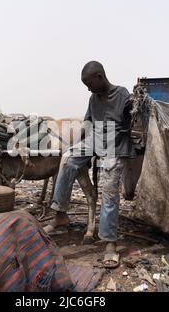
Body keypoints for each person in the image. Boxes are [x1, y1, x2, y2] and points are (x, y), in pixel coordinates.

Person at [44, 61, 134, 268]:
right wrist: (76, 147)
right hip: (95, 138)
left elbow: (132, 126)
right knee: (67, 159)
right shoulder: (93, 98)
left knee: (109, 189)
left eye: (89, 83)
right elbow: (87, 124)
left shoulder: (122, 95)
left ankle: (110, 242)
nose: (87, 88)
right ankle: (61, 214)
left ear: (100, 77)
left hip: (115, 143)